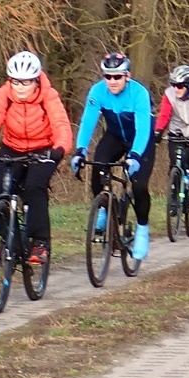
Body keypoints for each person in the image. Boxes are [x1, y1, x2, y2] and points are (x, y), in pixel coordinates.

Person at [0, 51, 73, 266]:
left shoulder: (48, 96)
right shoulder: (5, 94)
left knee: (34, 188)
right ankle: (11, 240)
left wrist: (59, 149)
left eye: (25, 82)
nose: (19, 87)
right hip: (13, 147)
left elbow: (61, 125)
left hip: (44, 149)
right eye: (15, 81)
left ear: (36, 81)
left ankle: (40, 243)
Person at [69, 52, 154, 263]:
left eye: (117, 76)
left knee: (139, 186)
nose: (112, 81)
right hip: (115, 136)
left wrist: (135, 155)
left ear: (127, 76)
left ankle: (142, 229)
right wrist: (80, 150)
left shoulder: (139, 93)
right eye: (108, 76)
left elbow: (143, 129)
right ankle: (103, 209)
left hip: (140, 140)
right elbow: (88, 121)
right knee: (98, 168)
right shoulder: (97, 91)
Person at [153, 64, 189, 209]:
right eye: (173, 85)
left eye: (179, 86)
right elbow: (164, 115)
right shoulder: (169, 95)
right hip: (177, 132)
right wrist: (158, 131)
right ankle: (173, 198)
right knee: (175, 162)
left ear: (188, 85)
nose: (176, 89)